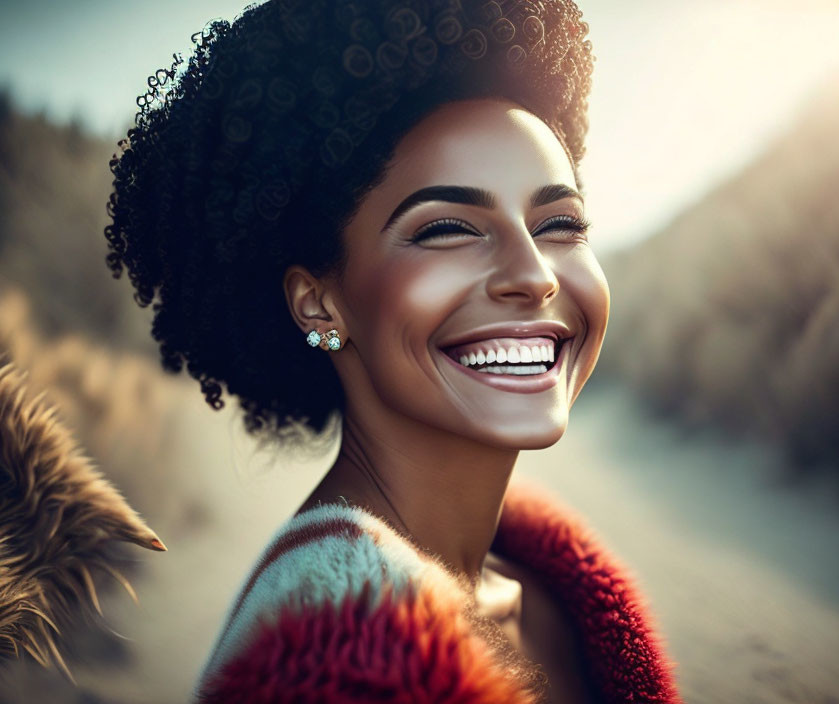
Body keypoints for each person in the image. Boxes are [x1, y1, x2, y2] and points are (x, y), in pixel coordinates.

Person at [104, 0, 681, 701]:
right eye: (445, 229)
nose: (534, 274)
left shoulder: (548, 591)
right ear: (320, 304)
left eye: (559, 222)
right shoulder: (323, 672)